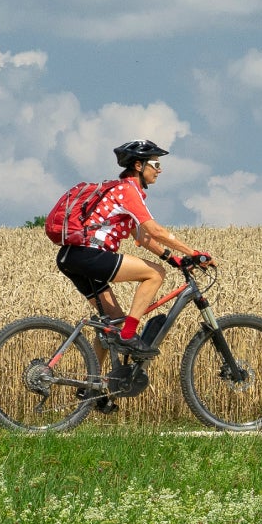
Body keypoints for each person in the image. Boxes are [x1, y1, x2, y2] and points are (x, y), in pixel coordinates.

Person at [54, 140, 216, 390]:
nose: (159, 170)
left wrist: (173, 259)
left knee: (112, 323)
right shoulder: (128, 190)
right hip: (90, 254)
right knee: (154, 274)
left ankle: (90, 388)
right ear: (138, 165)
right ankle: (130, 335)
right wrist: (193, 253)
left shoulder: (123, 192)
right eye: (156, 164)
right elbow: (155, 229)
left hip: (73, 257)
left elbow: (143, 238)